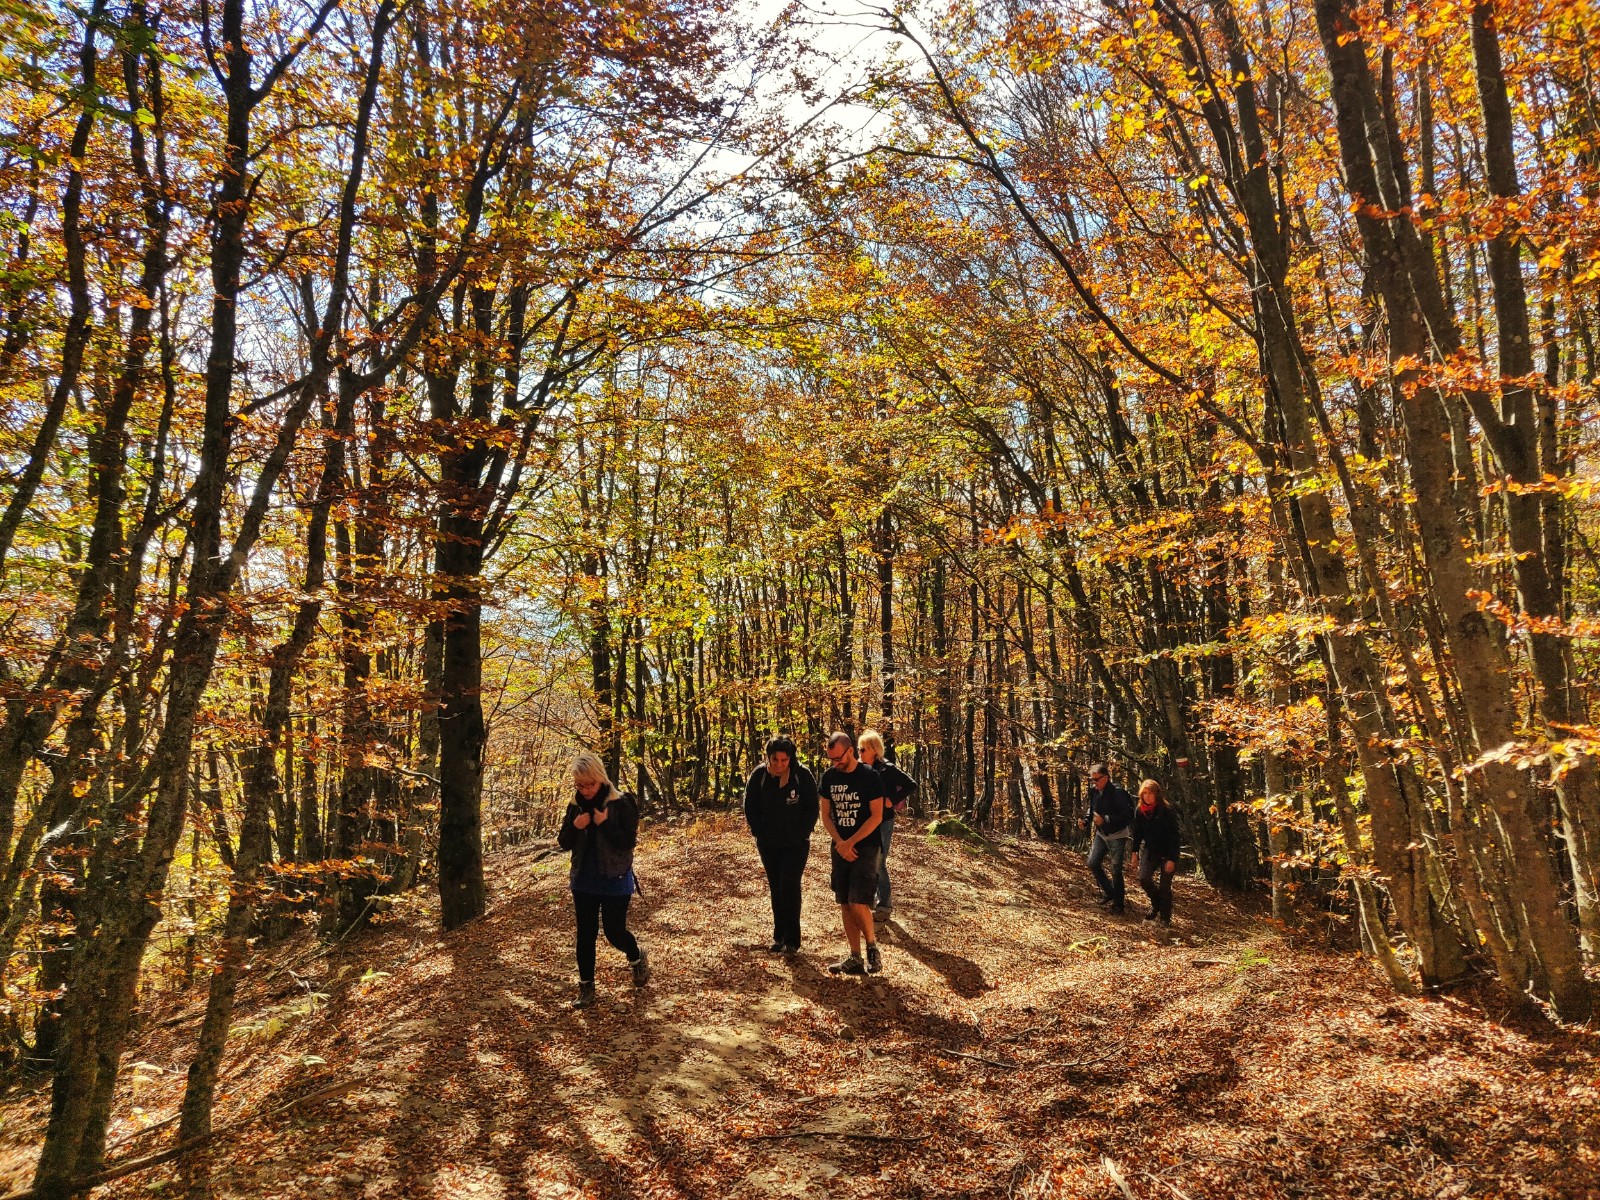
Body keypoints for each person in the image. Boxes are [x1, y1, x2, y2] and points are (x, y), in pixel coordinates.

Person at [557, 752, 650, 1008]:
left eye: (590, 784)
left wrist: (605, 824)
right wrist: (575, 826)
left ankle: (636, 956)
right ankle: (586, 987)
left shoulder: (621, 803)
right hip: (584, 879)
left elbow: (628, 842)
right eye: (580, 785)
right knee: (585, 934)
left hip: (615, 877)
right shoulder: (575, 806)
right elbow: (563, 843)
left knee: (614, 932)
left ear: (600, 779)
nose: (585, 790)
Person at [743, 735, 819, 954]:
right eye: (775, 760)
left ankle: (793, 939)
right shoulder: (759, 775)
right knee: (776, 887)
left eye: (784, 760)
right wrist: (758, 831)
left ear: (790, 759)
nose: (779, 765)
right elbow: (750, 806)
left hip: (796, 843)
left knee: (790, 885)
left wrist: (804, 832)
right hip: (768, 843)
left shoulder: (801, 776)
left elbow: (812, 807)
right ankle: (779, 936)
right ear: (769, 758)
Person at [818, 731, 886, 974]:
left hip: (866, 846)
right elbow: (825, 815)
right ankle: (855, 956)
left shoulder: (870, 777)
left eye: (839, 758)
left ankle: (872, 947)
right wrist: (840, 842)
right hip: (840, 846)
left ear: (850, 751)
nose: (836, 763)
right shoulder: (828, 778)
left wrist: (851, 842)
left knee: (859, 901)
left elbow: (877, 816)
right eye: (831, 759)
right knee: (845, 901)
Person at [857, 728, 915, 921]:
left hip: (883, 821)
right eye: (859, 749)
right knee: (866, 860)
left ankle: (885, 905)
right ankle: (870, 900)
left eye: (863, 749)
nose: (860, 753)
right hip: (865, 820)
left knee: (879, 863)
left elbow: (911, 784)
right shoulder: (860, 769)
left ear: (874, 749)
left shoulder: (887, 768)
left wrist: (892, 799)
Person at [1084, 762, 1136, 913]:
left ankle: (1118, 905)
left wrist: (1106, 819)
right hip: (1101, 834)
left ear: (1106, 778)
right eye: (1092, 780)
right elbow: (1092, 809)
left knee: (1116, 870)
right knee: (1093, 863)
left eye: (1096, 779)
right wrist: (1086, 821)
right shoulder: (1094, 792)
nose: (1094, 783)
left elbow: (1127, 815)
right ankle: (1110, 892)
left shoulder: (1118, 793)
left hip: (1118, 836)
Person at [1129, 778, 1181, 928]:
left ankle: (1165, 917)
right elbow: (1137, 833)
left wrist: (1172, 859)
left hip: (1168, 852)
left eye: (1150, 793)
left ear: (1157, 794)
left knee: (1165, 886)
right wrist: (1134, 852)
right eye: (1144, 793)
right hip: (1150, 850)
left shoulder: (1167, 810)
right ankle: (1157, 904)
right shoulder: (1139, 811)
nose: (1147, 797)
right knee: (1144, 878)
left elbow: (1174, 836)